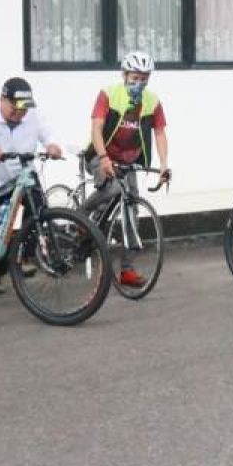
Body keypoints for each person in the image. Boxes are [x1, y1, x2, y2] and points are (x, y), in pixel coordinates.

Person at [85, 51, 171, 288]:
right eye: (135, 77)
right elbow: (96, 127)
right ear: (124, 74)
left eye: (144, 78)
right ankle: (81, 218)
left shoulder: (152, 102)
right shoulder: (109, 95)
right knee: (112, 188)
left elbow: (160, 133)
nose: (139, 83)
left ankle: (127, 269)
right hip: (100, 154)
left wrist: (164, 165)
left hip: (128, 161)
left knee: (132, 211)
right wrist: (103, 157)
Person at [0, 78, 63, 291]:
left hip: (23, 175)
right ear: (2, 99)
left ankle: (28, 255)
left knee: (38, 208)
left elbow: (47, 132)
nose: (20, 113)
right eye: (14, 108)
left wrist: (52, 144)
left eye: (23, 109)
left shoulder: (32, 115)